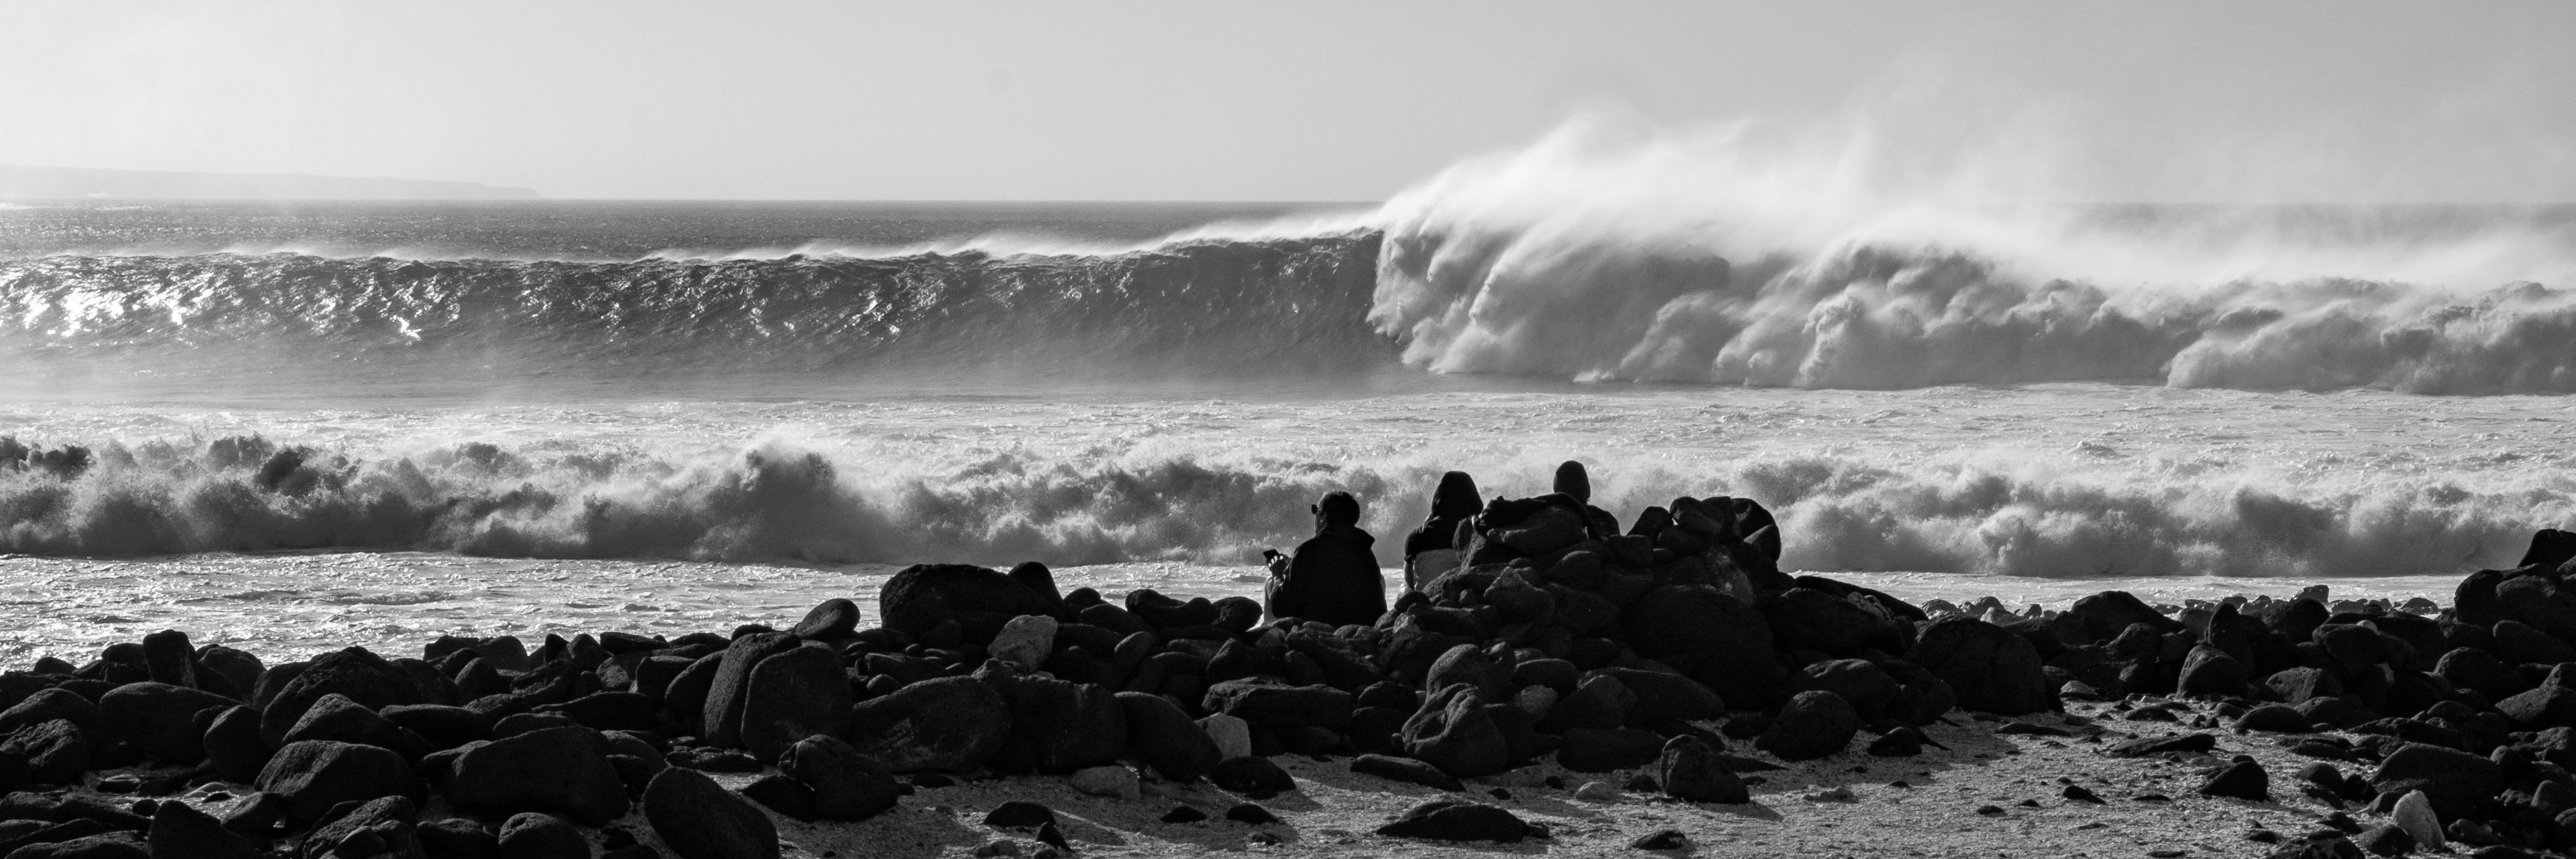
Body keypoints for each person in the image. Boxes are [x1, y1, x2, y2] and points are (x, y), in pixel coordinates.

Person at [1263, 491, 1387, 628]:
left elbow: (1282, 608)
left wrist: (1279, 574)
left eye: (1315, 510)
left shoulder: (1309, 550)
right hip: (1364, 630)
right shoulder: (1365, 550)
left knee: (1270, 582)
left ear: (1322, 515)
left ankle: (1269, 637)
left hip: (1316, 631)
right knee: (1380, 579)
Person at [1402, 471, 1480, 594]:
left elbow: (1409, 583)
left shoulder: (1416, 536)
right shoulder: (1473, 532)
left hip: (1425, 602)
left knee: (1403, 589)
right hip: (1459, 600)